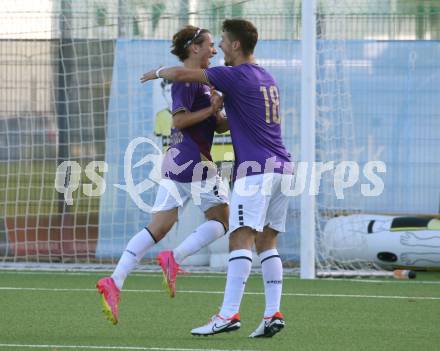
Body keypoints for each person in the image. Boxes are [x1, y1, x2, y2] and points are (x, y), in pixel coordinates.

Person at [141, 19, 292, 338]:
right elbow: (227, 122)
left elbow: (182, 74)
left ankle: (227, 314)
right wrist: (215, 112)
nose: (219, 46)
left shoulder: (233, 74)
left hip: (255, 171)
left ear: (236, 45)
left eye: (222, 40)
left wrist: (155, 73)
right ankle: (271, 314)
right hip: (283, 169)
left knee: (240, 238)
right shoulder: (266, 76)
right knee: (267, 241)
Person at [97, 25, 230, 325]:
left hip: (178, 164)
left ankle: (115, 281)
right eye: (209, 44)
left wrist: (221, 111)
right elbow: (180, 121)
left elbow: (219, 126)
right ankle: (175, 258)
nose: (214, 49)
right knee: (222, 221)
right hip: (195, 162)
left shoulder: (203, 83)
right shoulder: (185, 82)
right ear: (194, 48)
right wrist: (211, 112)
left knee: (158, 227)